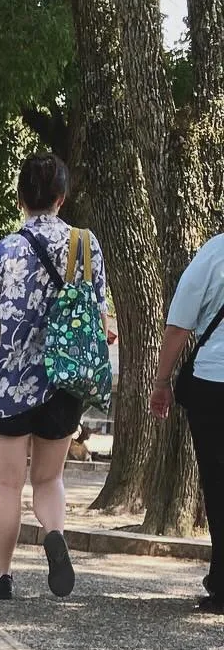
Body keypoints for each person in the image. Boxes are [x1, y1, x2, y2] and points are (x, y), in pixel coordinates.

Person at [0, 153, 106, 600]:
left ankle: (2, 577)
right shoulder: (85, 245)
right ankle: (55, 534)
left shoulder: (4, 250)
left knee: (7, 484)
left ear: (21, 196)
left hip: (10, 382)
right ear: (62, 197)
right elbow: (98, 312)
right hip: (63, 381)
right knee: (49, 479)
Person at [150, 228, 224, 612]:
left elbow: (179, 326)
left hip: (214, 383)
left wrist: (162, 383)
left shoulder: (212, 255)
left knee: (217, 483)